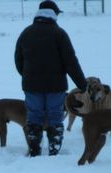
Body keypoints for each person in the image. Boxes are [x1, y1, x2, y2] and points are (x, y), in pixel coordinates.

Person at [14, 0, 87, 157]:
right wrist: (82, 83)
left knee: (33, 116)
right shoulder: (59, 34)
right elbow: (71, 61)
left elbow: (18, 59)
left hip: (31, 85)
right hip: (56, 86)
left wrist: (27, 75)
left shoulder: (26, 33)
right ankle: (54, 150)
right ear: (54, 14)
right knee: (55, 116)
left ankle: (34, 150)